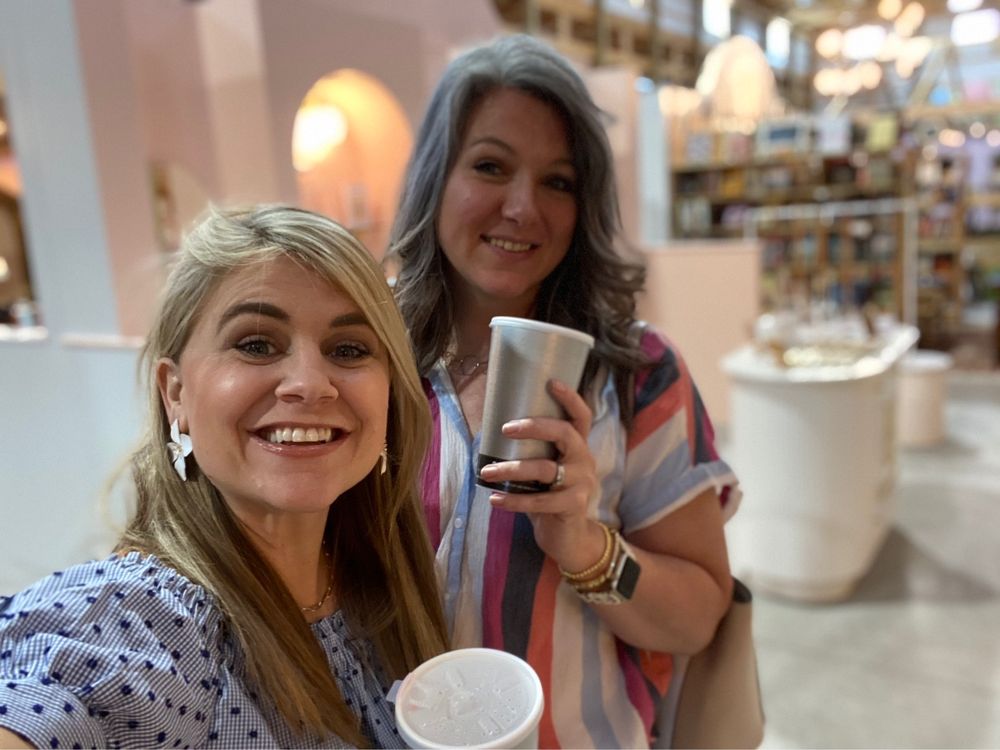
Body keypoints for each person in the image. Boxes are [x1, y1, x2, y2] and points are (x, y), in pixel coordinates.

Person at [389, 34, 741, 748]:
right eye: (490, 166)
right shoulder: (369, 357)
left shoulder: (639, 373)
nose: (523, 208)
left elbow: (697, 618)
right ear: (435, 177)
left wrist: (583, 544)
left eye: (558, 182)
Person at [0, 206, 448, 749]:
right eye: (256, 344)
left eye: (349, 350)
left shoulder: (381, 590)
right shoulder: (149, 619)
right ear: (175, 393)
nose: (310, 384)